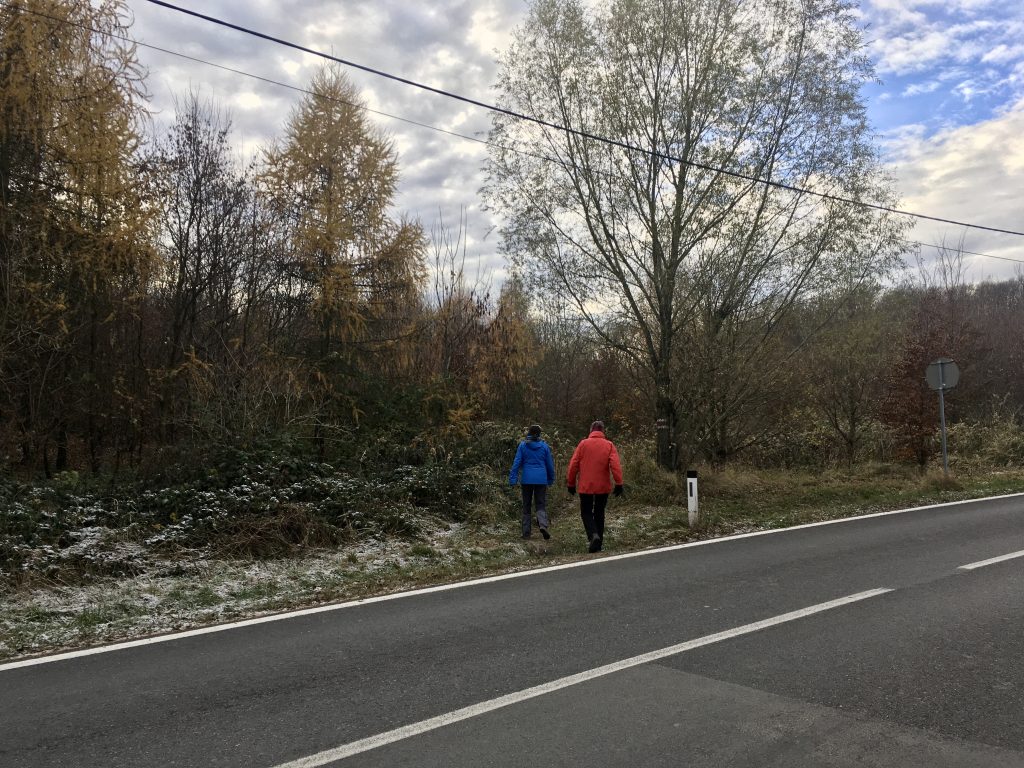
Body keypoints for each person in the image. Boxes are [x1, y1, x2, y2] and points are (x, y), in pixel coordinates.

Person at [566, 420, 623, 553]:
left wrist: (571, 483)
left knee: (586, 512)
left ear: (591, 430)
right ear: (603, 431)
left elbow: (573, 465)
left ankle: (593, 535)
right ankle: (598, 543)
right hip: (602, 485)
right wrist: (619, 483)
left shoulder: (583, 444)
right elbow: (615, 465)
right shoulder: (609, 445)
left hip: (585, 486)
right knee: (599, 512)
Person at [508, 424, 556, 539]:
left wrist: (513, 479)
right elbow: (550, 465)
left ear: (528, 433)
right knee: (540, 504)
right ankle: (543, 525)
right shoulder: (544, 446)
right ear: (539, 434)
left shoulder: (523, 446)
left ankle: (526, 533)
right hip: (541, 479)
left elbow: (517, 463)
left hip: (527, 479)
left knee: (526, 505)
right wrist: (550, 479)